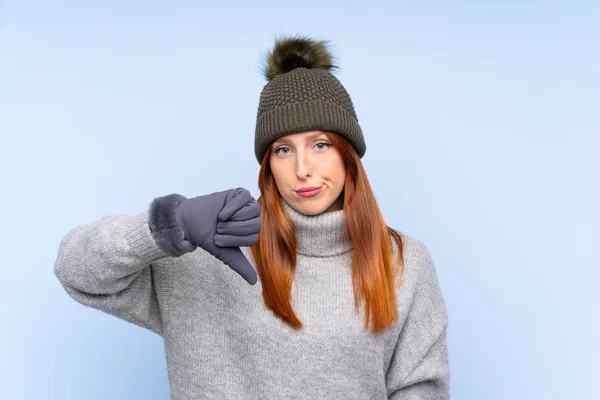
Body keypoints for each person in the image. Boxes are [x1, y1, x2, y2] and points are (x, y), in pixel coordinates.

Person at [54, 35, 450, 399]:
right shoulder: (207, 251)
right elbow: (77, 271)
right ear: (267, 164)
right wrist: (169, 224)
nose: (303, 168)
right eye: (282, 149)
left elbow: (421, 390)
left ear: (349, 156)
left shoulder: (404, 262)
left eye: (321, 144)